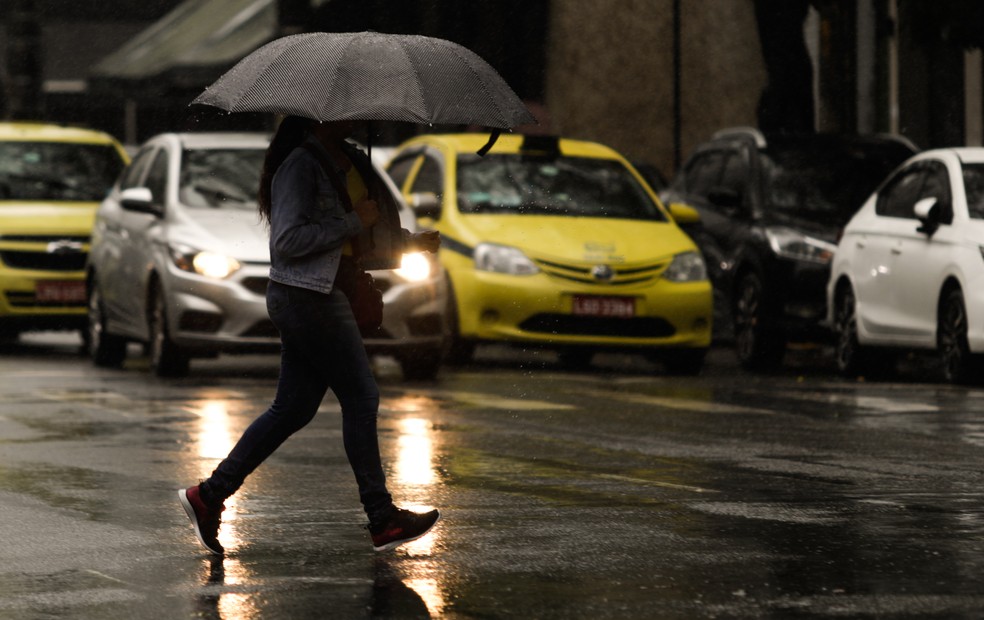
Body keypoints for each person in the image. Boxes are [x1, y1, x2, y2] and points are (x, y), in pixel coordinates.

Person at [178, 116, 441, 555]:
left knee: (292, 409)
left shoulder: (350, 160)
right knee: (361, 398)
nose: (363, 112)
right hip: (307, 297)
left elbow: (361, 234)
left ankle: (208, 496)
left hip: (327, 291)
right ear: (325, 114)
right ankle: (381, 518)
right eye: (353, 106)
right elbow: (288, 241)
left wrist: (410, 241)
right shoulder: (300, 166)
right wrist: (352, 221)